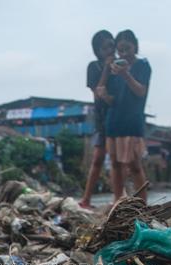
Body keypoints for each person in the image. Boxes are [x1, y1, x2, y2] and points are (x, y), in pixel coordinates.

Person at [105, 29, 151, 202]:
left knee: (134, 165)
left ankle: (142, 205)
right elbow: (111, 98)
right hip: (114, 121)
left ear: (135, 47)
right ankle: (118, 201)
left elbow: (140, 91)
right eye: (120, 50)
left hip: (132, 121)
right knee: (116, 165)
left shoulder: (142, 65)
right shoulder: (112, 70)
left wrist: (125, 74)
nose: (123, 53)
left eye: (127, 49)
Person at [79, 30, 116, 209]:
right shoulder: (93, 67)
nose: (109, 50)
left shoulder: (121, 65)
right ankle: (86, 199)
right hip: (102, 118)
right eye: (105, 48)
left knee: (121, 161)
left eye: (111, 45)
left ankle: (120, 199)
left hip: (120, 117)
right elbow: (97, 93)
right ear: (97, 50)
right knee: (98, 159)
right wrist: (107, 69)